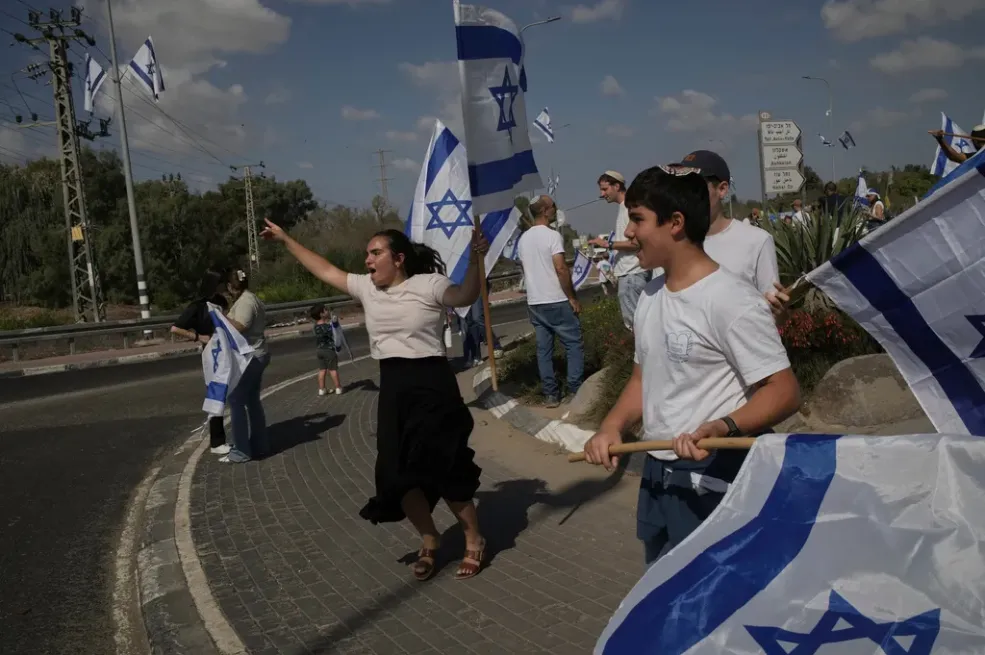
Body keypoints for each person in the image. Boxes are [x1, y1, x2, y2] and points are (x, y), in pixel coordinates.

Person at [582, 165, 801, 564]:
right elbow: (641, 379)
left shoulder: (731, 299)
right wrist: (612, 426)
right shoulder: (650, 296)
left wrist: (723, 426)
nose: (628, 233)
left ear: (676, 224)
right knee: (663, 593)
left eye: (637, 219)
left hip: (718, 472)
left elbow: (784, 390)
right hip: (659, 472)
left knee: (715, 603)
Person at [260, 217, 490, 581]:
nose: (367, 259)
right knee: (395, 474)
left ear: (398, 258)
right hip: (395, 387)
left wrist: (478, 262)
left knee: (446, 468)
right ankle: (429, 539)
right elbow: (325, 269)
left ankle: (473, 539)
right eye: (367, 254)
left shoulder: (428, 284)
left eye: (375, 252)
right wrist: (286, 239)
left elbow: (464, 297)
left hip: (433, 385)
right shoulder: (367, 288)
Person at [672, 150, 787, 318]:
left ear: (722, 189)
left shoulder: (757, 241)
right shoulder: (671, 242)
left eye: (696, 187)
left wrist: (779, 313)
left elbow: (772, 313)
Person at [516, 195, 585, 408]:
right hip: (555, 298)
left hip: (535, 302)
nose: (555, 209)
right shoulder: (553, 236)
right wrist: (572, 297)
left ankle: (550, 394)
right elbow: (561, 268)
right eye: (553, 206)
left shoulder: (523, 240)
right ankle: (575, 389)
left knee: (543, 350)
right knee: (573, 343)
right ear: (546, 210)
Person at [170, 269, 231, 456]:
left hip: (226, 352)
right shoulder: (197, 306)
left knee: (231, 393)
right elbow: (175, 328)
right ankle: (217, 441)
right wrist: (198, 336)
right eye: (220, 283)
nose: (223, 287)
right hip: (211, 355)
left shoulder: (221, 302)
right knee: (216, 395)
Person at [589, 171, 650, 330]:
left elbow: (636, 243)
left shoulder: (629, 208)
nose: (602, 194)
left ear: (617, 186)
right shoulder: (624, 208)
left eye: (605, 189)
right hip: (630, 274)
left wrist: (608, 244)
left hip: (631, 274)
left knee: (636, 326)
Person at [221, 269, 270, 464]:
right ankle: (259, 444)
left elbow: (240, 325)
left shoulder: (245, 302)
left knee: (236, 400)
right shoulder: (251, 298)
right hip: (257, 354)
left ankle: (242, 449)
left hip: (252, 358)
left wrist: (221, 318)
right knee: (251, 400)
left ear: (230, 287)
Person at [310, 303, 342, 396]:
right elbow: (336, 334)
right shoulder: (328, 327)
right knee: (333, 369)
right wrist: (335, 324)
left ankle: (322, 389)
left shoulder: (315, 327)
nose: (327, 311)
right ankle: (338, 387)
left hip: (319, 350)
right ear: (321, 314)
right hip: (329, 350)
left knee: (322, 370)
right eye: (325, 310)